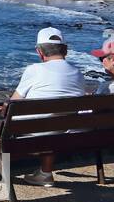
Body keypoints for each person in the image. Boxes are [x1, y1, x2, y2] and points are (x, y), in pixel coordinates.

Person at [10, 27, 91, 186]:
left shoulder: (34, 70)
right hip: (61, 133)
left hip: (30, 134)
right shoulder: (78, 73)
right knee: (56, 120)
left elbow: (13, 103)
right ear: (65, 50)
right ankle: (45, 173)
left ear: (39, 51)